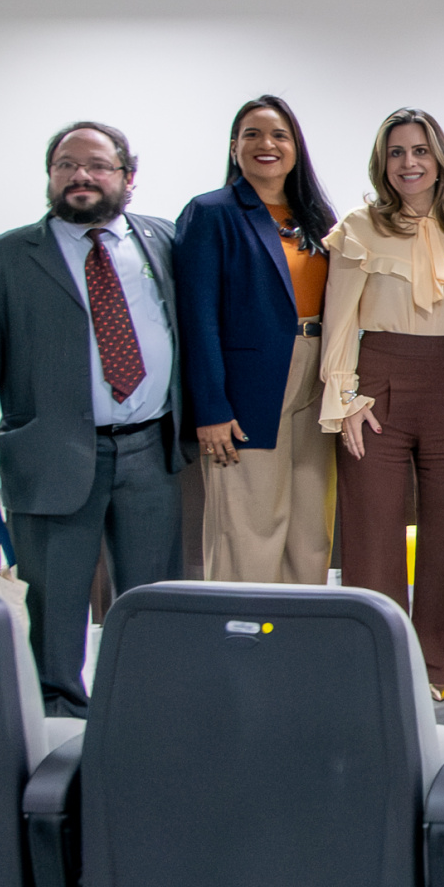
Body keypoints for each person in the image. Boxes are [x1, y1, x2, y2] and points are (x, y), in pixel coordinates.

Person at [0, 121, 189, 717]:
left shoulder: (163, 241)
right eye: (66, 165)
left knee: (152, 594)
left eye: (98, 165)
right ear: (50, 176)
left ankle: (143, 706)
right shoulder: (0, 260)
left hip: (150, 449)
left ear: (127, 177)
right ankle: (58, 712)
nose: (81, 176)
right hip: (50, 452)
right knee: (54, 602)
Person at [320, 108, 444, 700]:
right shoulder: (358, 227)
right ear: (382, 163)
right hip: (377, 385)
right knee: (372, 531)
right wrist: (344, 398)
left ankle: (439, 663)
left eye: (419, 151)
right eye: (396, 153)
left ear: (439, 158)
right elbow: (339, 319)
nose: (409, 163)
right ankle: (378, 663)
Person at [175, 94, 338, 585]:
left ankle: (299, 628)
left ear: (295, 148)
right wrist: (211, 409)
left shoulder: (316, 216)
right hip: (249, 390)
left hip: (316, 377)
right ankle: (242, 630)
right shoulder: (212, 213)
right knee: (250, 529)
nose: (267, 144)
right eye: (252, 134)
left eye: (279, 135)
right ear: (234, 147)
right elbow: (197, 318)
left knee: (310, 530)